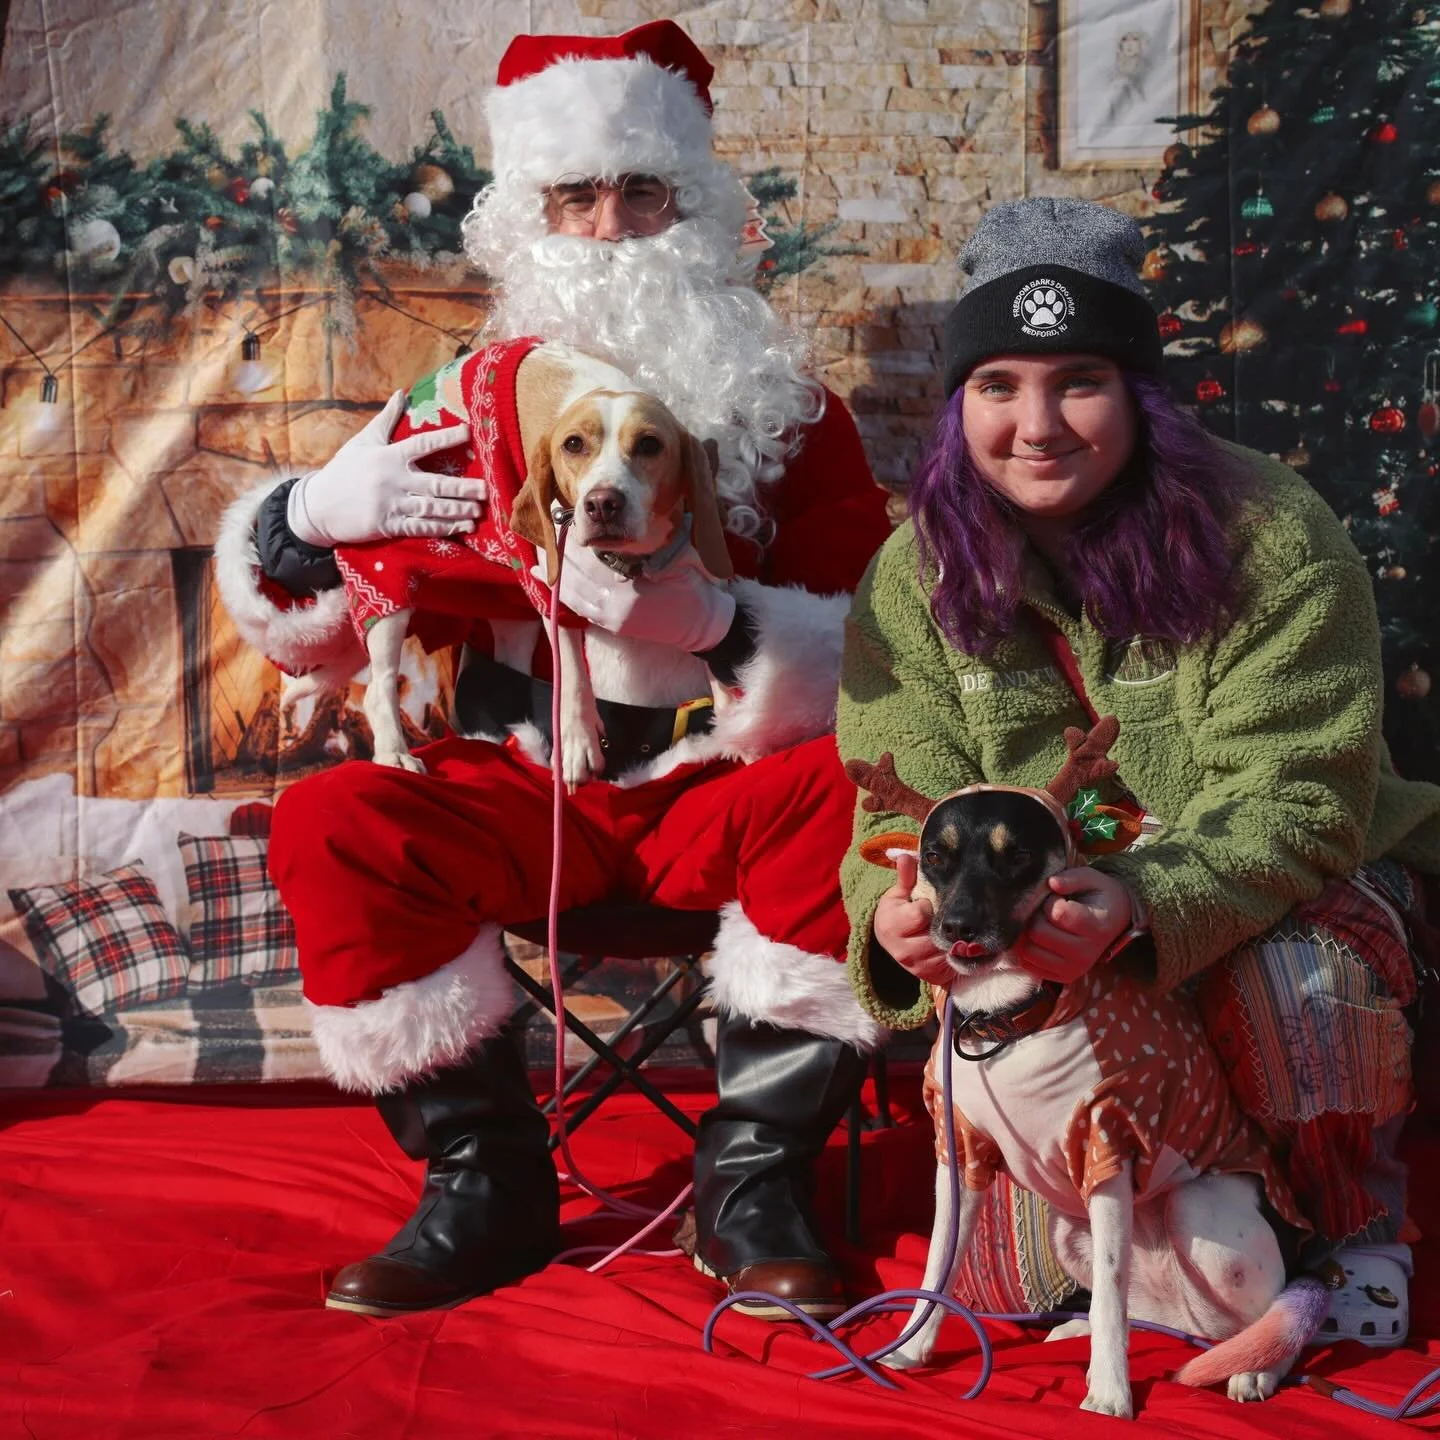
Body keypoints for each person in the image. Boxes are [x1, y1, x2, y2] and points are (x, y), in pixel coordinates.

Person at [214, 21, 892, 1321]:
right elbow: (307, 631)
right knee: (337, 817)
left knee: (871, 786)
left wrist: (719, 626)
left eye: (644, 193)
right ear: (528, 219)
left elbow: (879, 647)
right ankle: (486, 1180)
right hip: (529, 783)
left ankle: (753, 1181)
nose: (612, 229)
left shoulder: (790, 413)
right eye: (575, 199)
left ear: (695, 208)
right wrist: (306, 517)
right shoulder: (460, 399)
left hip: (719, 784)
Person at [836, 196, 1440, 1344]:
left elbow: (1299, 798)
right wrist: (895, 914)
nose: (1037, 424)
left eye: (1080, 381)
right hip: (1044, 934)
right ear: (959, 401)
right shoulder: (908, 580)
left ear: (1140, 394)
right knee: (1015, 1289)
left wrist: (1143, 901)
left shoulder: (1270, 532)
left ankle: (1351, 1240)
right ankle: (1186, 1237)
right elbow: (885, 791)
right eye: (999, 384)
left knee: (1295, 984)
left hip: (1291, 890)